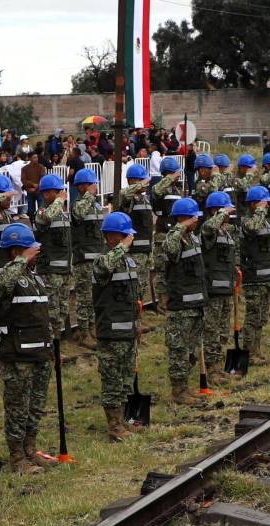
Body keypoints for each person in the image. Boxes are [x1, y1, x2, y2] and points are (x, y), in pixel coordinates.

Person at [0, 223, 55, 471]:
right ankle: (17, 457)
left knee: (35, 407)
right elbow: (4, 283)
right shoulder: (6, 275)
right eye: (30, 249)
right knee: (17, 408)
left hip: (39, 353)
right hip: (17, 356)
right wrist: (22, 258)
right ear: (16, 251)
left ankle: (30, 449)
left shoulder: (34, 278)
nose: (36, 253)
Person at [92, 211, 143, 440]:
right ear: (111, 237)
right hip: (111, 332)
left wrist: (138, 323)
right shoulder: (102, 260)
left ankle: (122, 420)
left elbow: (134, 296)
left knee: (125, 380)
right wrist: (122, 247)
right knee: (112, 381)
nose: (128, 240)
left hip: (128, 329)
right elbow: (104, 269)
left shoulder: (128, 261)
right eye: (123, 236)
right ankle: (113, 426)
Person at [157, 197, 207, 405]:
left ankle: (185, 387)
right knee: (179, 350)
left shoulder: (194, 238)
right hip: (180, 307)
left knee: (192, 350)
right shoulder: (172, 238)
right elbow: (169, 250)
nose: (197, 221)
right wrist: (180, 227)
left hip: (196, 304)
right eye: (193, 218)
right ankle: (178, 391)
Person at [200, 191, 237, 383]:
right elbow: (208, 227)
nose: (228, 214)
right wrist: (221, 214)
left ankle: (218, 365)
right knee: (211, 332)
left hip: (226, 289)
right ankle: (211, 370)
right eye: (224, 210)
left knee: (223, 332)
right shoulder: (208, 230)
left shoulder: (227, 231)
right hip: (213, 290)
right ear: (215, 210)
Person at [239, 185, 270, 361]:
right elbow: (253, 228)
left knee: (261, 317)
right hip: (254, 277)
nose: (267, 207)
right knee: (253, 317)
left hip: (266, 277)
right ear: (254, 204)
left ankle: (256, 351)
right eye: (264, 204)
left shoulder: (265, 221)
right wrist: (260, 211)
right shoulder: (247, 222)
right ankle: (249, 352)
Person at [33, 173, 72, 339]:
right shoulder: (41, 212)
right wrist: (58, 201)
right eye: (57, 192)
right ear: (46, 194)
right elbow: (47, 217)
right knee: (50, 312)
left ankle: (55, 342)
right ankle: (48, 345)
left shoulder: (63, 213)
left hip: (63, 269)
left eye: (60, 192)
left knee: (62, 310)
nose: (61, 195)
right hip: (49, 270)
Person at [69, 168, 104, 349]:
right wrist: (90, 196)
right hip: (84, 258)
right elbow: (79, 214)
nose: (95, 188)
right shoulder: (78, 204)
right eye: (91, 185)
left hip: (97, 257)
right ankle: (83, 332)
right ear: (82, 187)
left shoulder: (96, 205)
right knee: (84, 297)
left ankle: (91, 328)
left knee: (95, 297)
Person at [115, 162, 154, 304]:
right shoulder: (127, 197)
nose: (145, 184)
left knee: (142, 287)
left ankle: (137, 320)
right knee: (133, 286)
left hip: (145, 250)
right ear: (132, 180)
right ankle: (132, 321)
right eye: (141, 180)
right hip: (134, 251)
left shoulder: (144, 199)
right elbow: (125, 193)